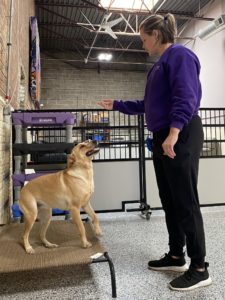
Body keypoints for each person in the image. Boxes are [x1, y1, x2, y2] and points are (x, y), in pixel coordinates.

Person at [98, 13, 212, 291]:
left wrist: (173, 133)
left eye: (144, 38)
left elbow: (186, 96)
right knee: (170, 200)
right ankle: (176, 255)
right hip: (165, 135)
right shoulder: (160, 64)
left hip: (181, 133)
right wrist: (118, 105)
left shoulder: (180, 56)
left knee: (185, 200)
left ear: (157, 35)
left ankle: (200, 267)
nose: (142, 44)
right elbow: (150, 104)